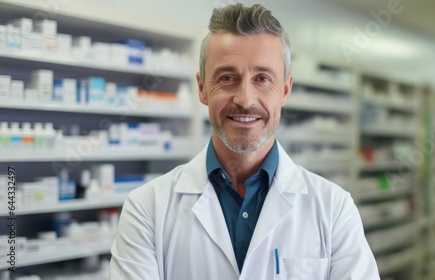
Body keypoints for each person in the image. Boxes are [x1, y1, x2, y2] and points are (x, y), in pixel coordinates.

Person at [109, 3, 379, 280]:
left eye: (262, 78)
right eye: (227, 78)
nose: (245, 99)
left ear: (285, 90)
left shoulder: (334, 209)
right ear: (202, 89)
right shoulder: (147, 208)